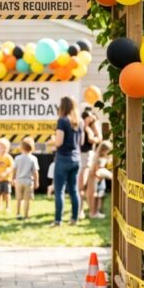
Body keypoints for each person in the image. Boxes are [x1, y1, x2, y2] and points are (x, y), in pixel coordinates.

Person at [52, 96, 83, 226]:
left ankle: (58, 220)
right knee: (74, 190)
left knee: (59, 190)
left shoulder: (62, 121)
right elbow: (81, 142)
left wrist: (52, 140)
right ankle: (74, 218)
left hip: (63, 158)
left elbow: (59, 142)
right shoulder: (80, 121)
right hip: (76, 159)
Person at [78, 107, 101, 218]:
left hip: (85, 156)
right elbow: (93, 139)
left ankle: (83, 210)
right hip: (86, 157)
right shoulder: (85, 128)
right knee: (83, 185)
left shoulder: (83, 127)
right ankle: (82, 210)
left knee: (85, 186)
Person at [13, 137, 39, 219]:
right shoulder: (33, 158)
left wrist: (12, 178)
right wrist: (36, 182)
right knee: (27, 200)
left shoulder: (17, 158)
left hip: (18, 181)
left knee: (18, 199)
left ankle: (18, 213)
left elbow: (14, 169)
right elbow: (35, 171)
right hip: (28, 181)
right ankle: (26, 215)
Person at [88, 140, 112, 218]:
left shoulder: (103, 157)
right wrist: (99, 176)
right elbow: (94, 170)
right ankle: (93, 212)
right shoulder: (97, 158)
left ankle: (97, 211)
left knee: (100, 195)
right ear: (103, 150)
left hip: (100, 178)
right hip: (95, 178)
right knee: (94, 195)